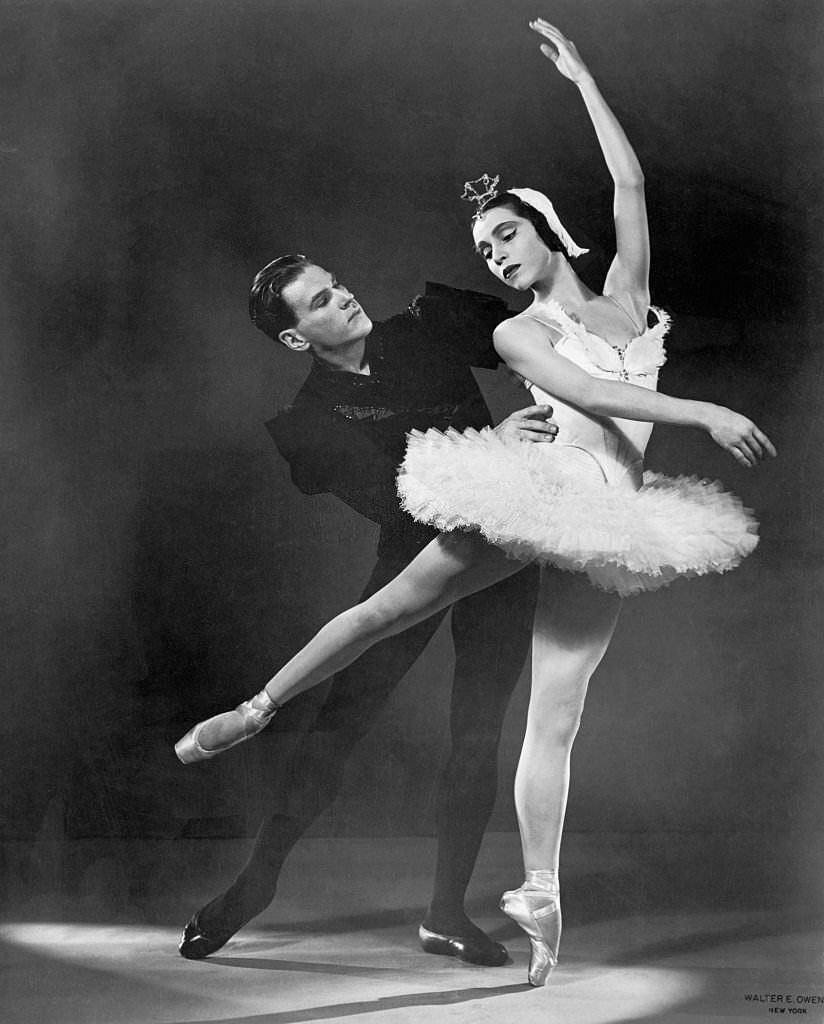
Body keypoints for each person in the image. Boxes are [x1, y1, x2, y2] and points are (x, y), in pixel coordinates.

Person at [176, 18, 775, 985]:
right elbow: (587, 396)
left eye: (507, 236)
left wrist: (583, 80)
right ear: (295, 337)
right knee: (384, 616)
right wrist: (696, 408)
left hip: (611, 516)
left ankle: (530, 895)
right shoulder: (494, 343)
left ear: (545, 233)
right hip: (520, 500)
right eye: (485, 247)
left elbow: (629, 188)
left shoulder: (612, 293)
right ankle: (257, 711)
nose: (495, 255)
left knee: (549, 717)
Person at [177, 258, 559, 966]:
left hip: (505, 542)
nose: (346, 296)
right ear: (297, 338)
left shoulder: (429, 327)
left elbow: (539, 338)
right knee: (339, 723)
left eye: (339, 282)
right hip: (414, 559)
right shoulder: (309, 421)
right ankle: (255, 886)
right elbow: (399, 503)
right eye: (320, 300)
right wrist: (491, 446)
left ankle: (445, 915)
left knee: (477, 735)